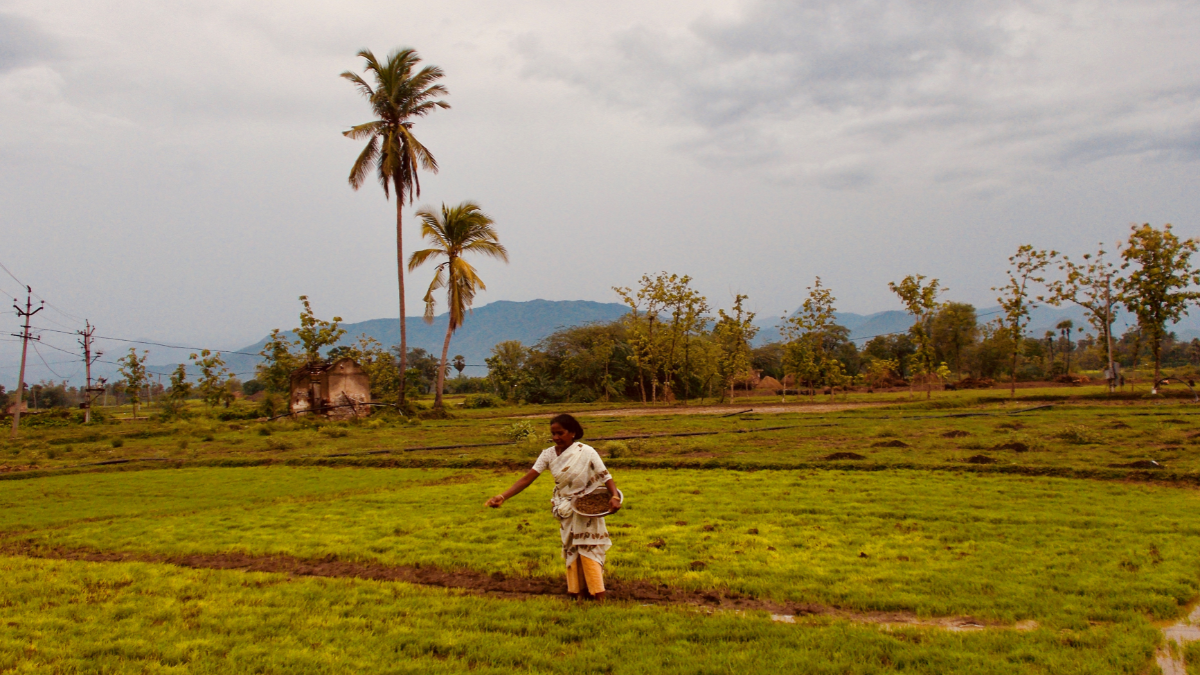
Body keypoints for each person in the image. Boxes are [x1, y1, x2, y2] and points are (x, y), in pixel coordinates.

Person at [485, 413, 621, 600]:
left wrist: (614, 496)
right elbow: (527, 478)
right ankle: (577, 591)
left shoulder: (586, 451)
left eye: (560, 433)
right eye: (553, 434)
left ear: (572, 433)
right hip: (565, 508)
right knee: (571, 550)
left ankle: (598, 594)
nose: (556, 437)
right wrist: (502, 496)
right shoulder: (548, 454)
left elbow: (605, 476)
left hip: (588, 507)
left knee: (589, 548)